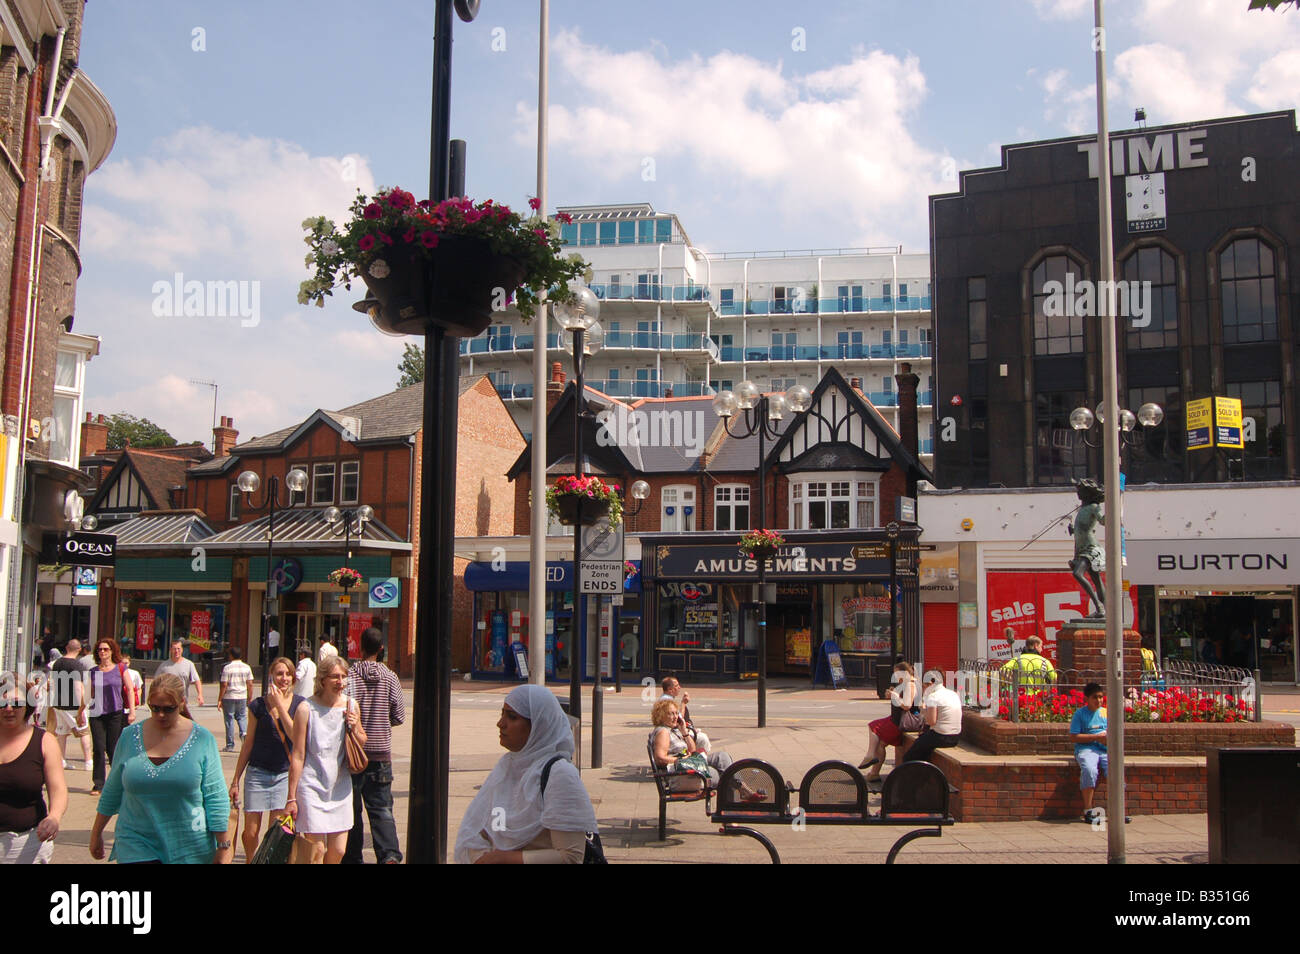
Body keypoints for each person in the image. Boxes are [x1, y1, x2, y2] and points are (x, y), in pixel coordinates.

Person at [89, 674, 232, 864]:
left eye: (168, 709)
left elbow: (215, 796)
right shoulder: (129, 736)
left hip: (189, 846)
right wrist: (96, 832)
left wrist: (223, 846)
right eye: (154, 708)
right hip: (135, 843)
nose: (160, 715)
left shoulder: (202, 739)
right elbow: (113, 790)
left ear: (181, 703)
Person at [454, 684, 598, 864]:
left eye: (512, 717)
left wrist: (506, 859)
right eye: (502, 714)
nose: (501, 723)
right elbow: (480, 828)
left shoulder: (560, 775)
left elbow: (571, 856)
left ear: (538, 726)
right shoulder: (507, 767)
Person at [286, 655, 363, 864]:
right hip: (311, 785)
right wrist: (291, 796)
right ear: (322, 680)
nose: (340, 682)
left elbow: (363, 740)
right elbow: (298, 755)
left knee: (338, 850)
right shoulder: (306, 708)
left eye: (344, 676)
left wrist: (355, 726)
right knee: (316, 850)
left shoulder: (351, 705)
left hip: (340, 785)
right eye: (335, 677)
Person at [229, 657, 303, 862]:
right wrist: (236, 779)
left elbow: (294, 735)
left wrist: (279, 704)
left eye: (288, 674)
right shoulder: (258, 705)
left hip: (283, 774)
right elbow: (248, 743)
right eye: (279, 673)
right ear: (271, 676)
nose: (284, 678)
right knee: (250, 832)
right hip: (258, 773)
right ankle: (252, 860)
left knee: (275, 831)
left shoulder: (300, 704)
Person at [344, 627, 405, 865]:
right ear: (381, 649)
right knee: (381, 808)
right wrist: (382, 720)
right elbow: (399, 715)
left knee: (352, 810)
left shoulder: (349, 676)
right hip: (380, 752)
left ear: (360, 647)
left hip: (353, 753)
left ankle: (351, 857)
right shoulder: (390, 677)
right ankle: (389, 854)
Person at [0, 674, 66, 863]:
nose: (9, 709)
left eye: (16, 703)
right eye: (2, 703)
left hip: (25, 843)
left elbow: (58, 789)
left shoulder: (44, 741)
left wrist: (54, 817)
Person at [649, 697, 743, 794]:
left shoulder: (673, 730)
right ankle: (741, 792)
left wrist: (684, 732)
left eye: (676, 713)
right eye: (671, 713)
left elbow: (692, 750)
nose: (675, 717)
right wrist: (682, 760)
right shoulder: (663, 732)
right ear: (661, 716)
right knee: (724, 775)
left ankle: (741, 790)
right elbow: (660, 759)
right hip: (680, 774)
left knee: (722, 757)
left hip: (689, 764)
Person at [87, 638, 135, 796]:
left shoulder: (120, 668)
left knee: (113, 748)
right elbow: (89, 693)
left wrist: (132, 711)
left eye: (106, 649)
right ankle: (99, 784)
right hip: (96, 713)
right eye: (100, 650)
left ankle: (117, 783)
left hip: (115, 713)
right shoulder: (94, 671)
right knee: (99, 748)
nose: (102, 652)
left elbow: (129, 689)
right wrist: (81, 711)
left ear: (112, 651)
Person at [858, 661, 918, 780]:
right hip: (896, 719)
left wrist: (894, 696)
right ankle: (874, 773)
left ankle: (870, 758)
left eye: (896, 674)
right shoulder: (905, 683)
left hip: (900, 722)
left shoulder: (910, 685)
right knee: (880, 743)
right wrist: (893, 693)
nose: (895, 677)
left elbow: (907, 705)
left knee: (874, 727)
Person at [48, 639, 92, 772]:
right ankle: (88, 761)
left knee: (61, 732)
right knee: (83, 732)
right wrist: (82, 706)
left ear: (67, 648)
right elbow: (78, 687)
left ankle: (62, 760)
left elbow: (53, 683)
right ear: (79, 650)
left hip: (59, 703)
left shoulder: (57, 663)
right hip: (73, 705)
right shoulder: (77, 665)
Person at [902, 670, 962, 765]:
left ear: (930, 684)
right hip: (955, 737)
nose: (923, 689)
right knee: (924, 747)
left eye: (924, 686)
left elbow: (931, 721)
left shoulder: (933, 697)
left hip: (941, 737)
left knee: (909, 758)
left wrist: (923, 710)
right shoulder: (954, 694)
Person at [1069, 682, 1108, 822]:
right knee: (1090, 770)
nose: (1098, 701)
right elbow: (1074, 736)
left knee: (1115, 771)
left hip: (1105, 749)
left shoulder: (1106, 713)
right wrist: (1096, 737)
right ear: (1087, 699)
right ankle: (1088, 809)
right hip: (1086, 748)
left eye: (1101, 697)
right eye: (1095, 697)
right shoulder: (1080, 714)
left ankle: (1118, 810)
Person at [1068, 478, 1106, 617]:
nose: (1078, 493)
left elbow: (1102, 521)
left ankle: (1100, 607)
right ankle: (1103, 610)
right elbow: (1078, 538)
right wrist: (1075, 557)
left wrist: (1112, 513)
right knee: (1096, 579)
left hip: (1091, 548)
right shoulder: (1082, 509)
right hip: (1082, 549)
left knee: (1078, 574)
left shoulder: (1093, 507)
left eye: (1081, 491)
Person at [659, 676, 711, 753]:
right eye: (676, 686)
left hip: (675, 731)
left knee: (699, 735)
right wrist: (683, 703)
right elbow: (679, 719)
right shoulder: (667, 702)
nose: (679, 687)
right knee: (703, 738)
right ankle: (701, 759)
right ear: (670, 689)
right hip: (674, 733)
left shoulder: (666, 698)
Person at [217, 647, 254, 751]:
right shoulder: (247, 667)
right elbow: (250, 684)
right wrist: (249, 697)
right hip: (242, 695)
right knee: (242, 717)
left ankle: (230, 744)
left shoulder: (227, 668)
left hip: (229, 696)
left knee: (229, 720)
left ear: (231, 656)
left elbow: (224, 684)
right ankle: (244, 734)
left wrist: (220, 699)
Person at [154, 639, 205, 708]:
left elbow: (197, 681)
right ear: (170, 650)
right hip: (167, 702)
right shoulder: (164, 666)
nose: (176, 651)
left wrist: (200, 695)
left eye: (178, 649)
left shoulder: (189, 664)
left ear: (182, 650)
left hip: (182, 701)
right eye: (174, 649)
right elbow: (156, 682)